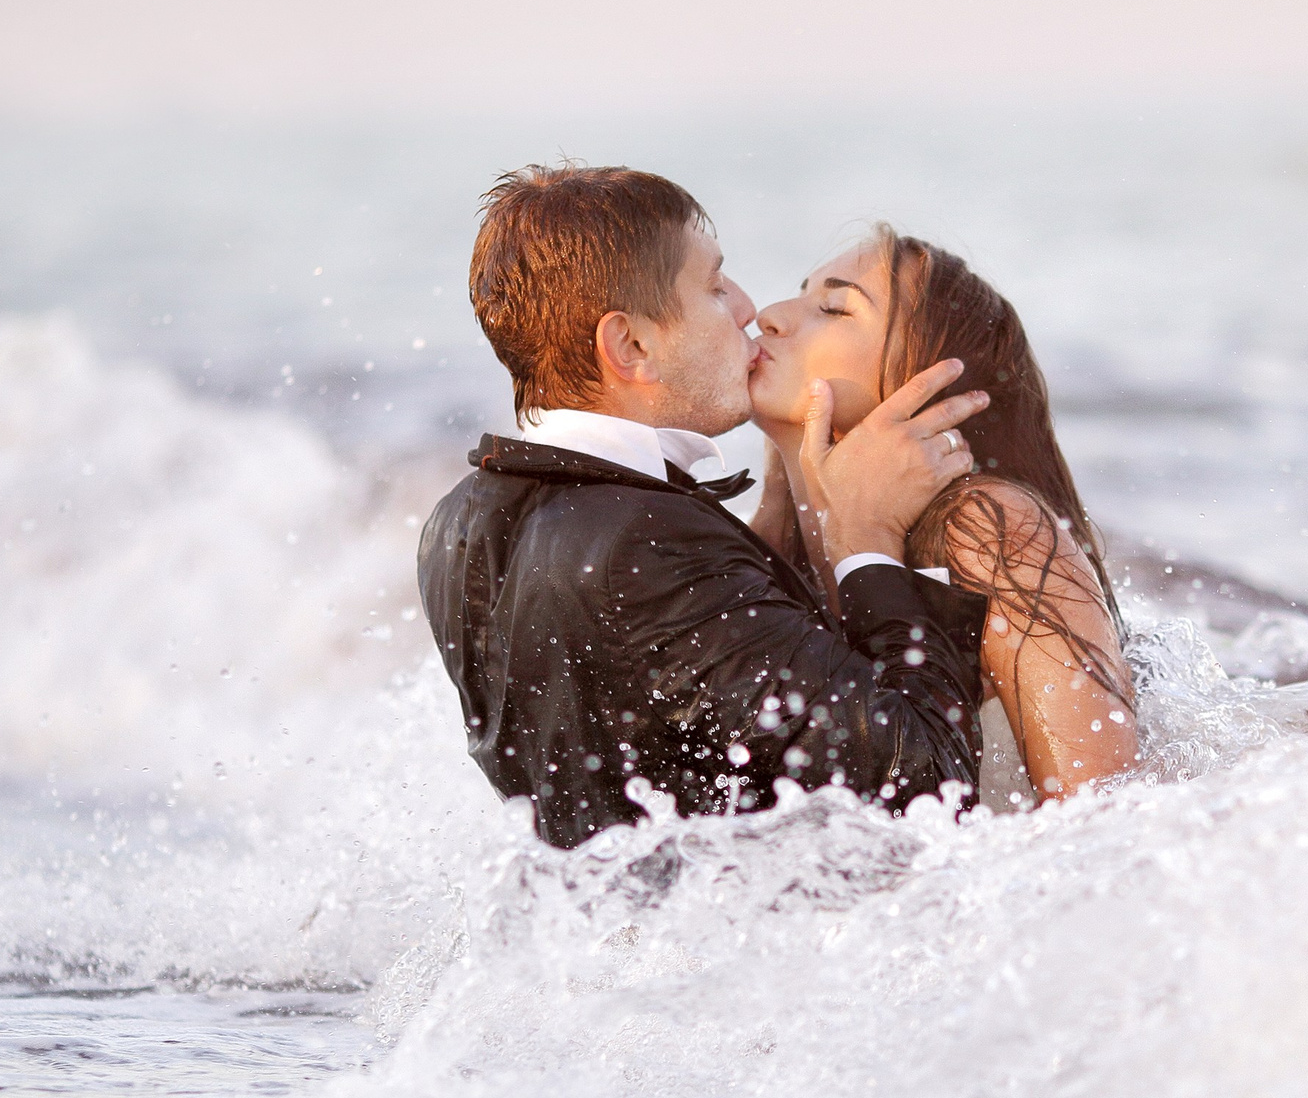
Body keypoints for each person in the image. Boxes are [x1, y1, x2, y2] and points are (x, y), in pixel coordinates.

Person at [418, 166, 994, 848]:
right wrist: (868, 539)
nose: (749, 306)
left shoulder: (460, 520)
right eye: (715, 287)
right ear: (631, 345)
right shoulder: (650, 543)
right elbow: (928, 786)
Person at [749, 228, 1138, 807]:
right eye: (800, 294)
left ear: (923, 388)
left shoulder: (989, 529)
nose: (770, 315)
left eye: (834, 307)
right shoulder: (763, 548)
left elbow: (1102, 813)